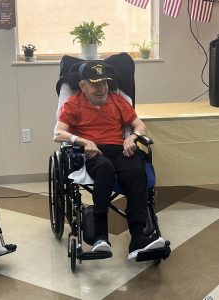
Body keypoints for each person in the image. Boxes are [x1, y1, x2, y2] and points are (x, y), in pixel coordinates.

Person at [54, 61, 165, 260]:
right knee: (105, 168)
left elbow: (140, 125)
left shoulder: (117, 101)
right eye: (95, 84)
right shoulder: (74, 104)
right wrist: (83, 141)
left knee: (137, 170)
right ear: (83, 86)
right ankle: (100, 237)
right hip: (92, 151)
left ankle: (138, 238)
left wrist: (132, 138)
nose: (102, 88)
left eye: (104, 83)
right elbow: (58, 133)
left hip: (119, 149)